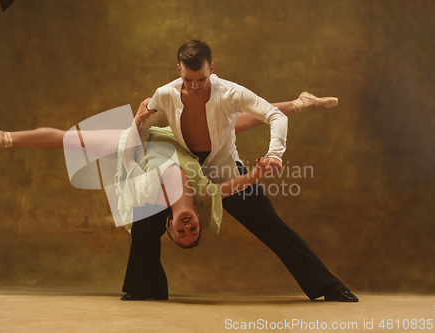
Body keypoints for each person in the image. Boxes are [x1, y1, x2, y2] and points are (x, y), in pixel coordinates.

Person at [121, 39, 358, 302]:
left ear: (211, 68)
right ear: (179, 70)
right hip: (185, 172)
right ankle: (145, 288)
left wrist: (274, 155)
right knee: (144, 218)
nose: (195, 86)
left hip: (225, 171)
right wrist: (145, 164)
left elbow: (275, 116)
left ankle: (330, 288)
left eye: (201, 79)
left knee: (274, 228)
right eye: (189, 80)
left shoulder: (232, 93)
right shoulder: (165, 94)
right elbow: (144, 126)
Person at [0, 100, 272, 249]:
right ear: (201, 221)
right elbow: (231, 187)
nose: (187, 228)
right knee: (233, 123)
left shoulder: (150, 196)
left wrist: (137, 121)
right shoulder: (204, 196)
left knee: (70, 140)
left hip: (143, 143)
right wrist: (256, 173)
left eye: (181, 233)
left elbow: (126, 162)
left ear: (170, 225)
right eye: (193, 232)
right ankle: (297, 105)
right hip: (179, 140)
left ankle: (3, 137)